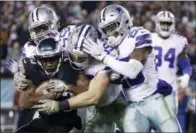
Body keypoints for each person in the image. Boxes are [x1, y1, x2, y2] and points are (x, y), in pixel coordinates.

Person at [82, 4, 181, 132]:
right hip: (132, 105)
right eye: (106, 29)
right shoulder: (107, 48)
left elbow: (133, 70)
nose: (110, 33)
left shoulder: (138, 34)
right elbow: (92, 72)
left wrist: (104, 57)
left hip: (153, 98)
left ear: (124, 21)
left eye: (112, 26)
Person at [32, 24, 126, 133]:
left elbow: (93, 96)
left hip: (107, 102)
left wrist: (58, 105)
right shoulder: (64, 41)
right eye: (73, 55)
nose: (76, 60)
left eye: (81, 57)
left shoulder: (102, 62)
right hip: (82, 99)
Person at [14, 37, 88, 133]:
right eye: (45, 60)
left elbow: (87, 92)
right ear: (39, 60)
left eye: (52, 59)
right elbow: (24, 103)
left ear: (60, 57)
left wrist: (68, 87)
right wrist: (44, 96)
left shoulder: (70, 68)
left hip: (70, 122)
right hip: (46, 120)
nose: (49, 64)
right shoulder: (34, 71)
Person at [151, 10, 192, 115]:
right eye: (162, 22)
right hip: (149, 89)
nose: (165, 25)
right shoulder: (149, 39)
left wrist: (186, 75)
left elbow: (186, 64)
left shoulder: (178, 41)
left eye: (168, 23)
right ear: (157, 24)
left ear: (172, 24)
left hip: (170, 90)